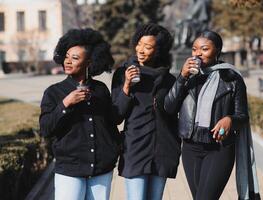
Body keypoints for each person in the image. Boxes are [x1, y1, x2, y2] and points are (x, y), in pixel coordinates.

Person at [165, 30, 261, 200]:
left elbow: (242, 115)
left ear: (217, 50)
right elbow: (169, 107)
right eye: (194, 49)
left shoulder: (232, 78)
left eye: (204, 49)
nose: (197, 54)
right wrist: (182, 77)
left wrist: (230, 119)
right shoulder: (188, 78)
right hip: (190, 148)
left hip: (219, 149)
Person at [39, 28, 121, 200]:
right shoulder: (54, 92)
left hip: (101, 168)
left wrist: (114, 149)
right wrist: (66, 103)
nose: (68, 61)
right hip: (70, 169)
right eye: (67, 56)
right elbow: (46, 129)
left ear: (89, 62)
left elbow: (111, 123)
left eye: (75, 58)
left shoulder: (100, 89)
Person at [111, 23, 181, 200]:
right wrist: (126, 85)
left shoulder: (169, 79)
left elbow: (174, 114)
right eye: (139, 44)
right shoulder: (122, 74)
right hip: (135, 148)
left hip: (163, 149)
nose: (141, 50)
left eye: (148, 47)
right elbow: (117, 115)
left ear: (158, 50)